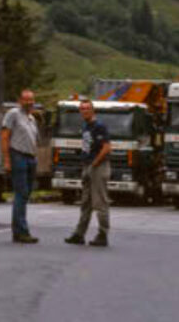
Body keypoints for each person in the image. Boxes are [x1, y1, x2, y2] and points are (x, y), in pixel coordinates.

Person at [66, 98, 112, 247]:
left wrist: (94, 164)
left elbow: (106, 147)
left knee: (100, 202)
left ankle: (103, 234)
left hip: (98, 166)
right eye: (82, 108)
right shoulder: (86, 126)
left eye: (87, 108)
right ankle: (79, 234)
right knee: (85, 202)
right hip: (87, 166)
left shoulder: (100, 126)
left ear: (93, 110)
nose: (84, 111)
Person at [1, 89, 40, 244]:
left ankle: (18, 230)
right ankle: (21, 231)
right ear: (20, 100)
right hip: (18, 156)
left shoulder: (32, 118)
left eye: (31, 100)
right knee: (21, 193)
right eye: (26, 99)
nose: (29, 102)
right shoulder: (13, 114)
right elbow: (4, 137)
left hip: (31, 158)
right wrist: (7, 160)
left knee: (26, 194)